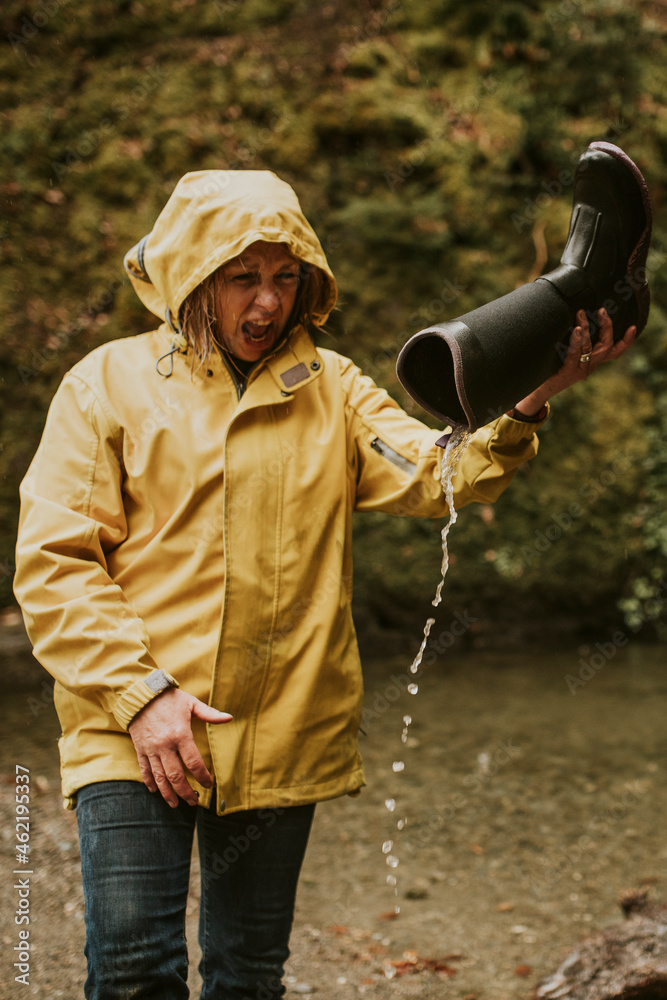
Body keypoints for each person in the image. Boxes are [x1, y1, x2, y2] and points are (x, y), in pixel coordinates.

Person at [13, 169, 636, 1000]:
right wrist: (140, 694)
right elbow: (55, 564)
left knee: (247, 977)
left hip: (282, 731)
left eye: (283, 277)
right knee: (132, 973)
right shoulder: (105, 385)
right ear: (194, 275)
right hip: (131, 727)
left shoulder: (331, 389)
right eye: (242, 278)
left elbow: (435, 474)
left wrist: (528, 399)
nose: (267, 304)